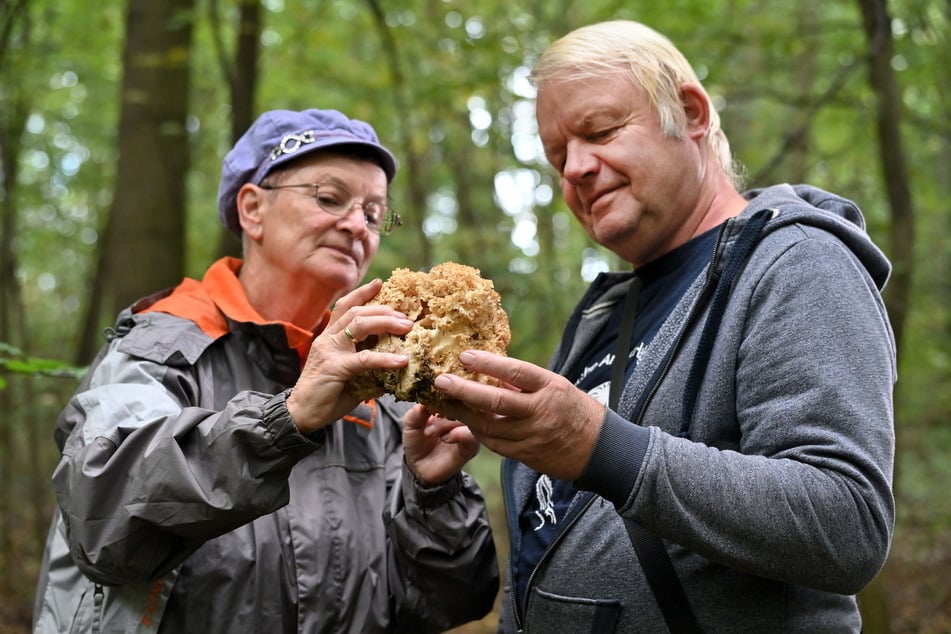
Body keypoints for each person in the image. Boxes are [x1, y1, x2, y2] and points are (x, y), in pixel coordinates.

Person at [432, 20, 896, 633]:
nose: (574, 168)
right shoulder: (604, 313)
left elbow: (847, 523)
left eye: (599, 132)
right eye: (556, 155)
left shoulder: (797, 261)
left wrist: (604, 449)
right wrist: (435, 485)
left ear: (691, 112)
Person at [32, 108, 498, 633]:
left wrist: (433, 494)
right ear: (252, 209)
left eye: (373, 212)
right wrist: (287, 419)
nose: (355, 225)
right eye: (329, 198)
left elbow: (449, 604)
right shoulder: (161, 344)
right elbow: (102, 525)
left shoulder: (381, 382)